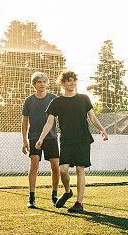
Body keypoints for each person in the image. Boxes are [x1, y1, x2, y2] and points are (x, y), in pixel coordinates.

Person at [36, 71, 108, 213]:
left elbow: (92, 117)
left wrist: (102, 129)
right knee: (62, 169)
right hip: (66, 141)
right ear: (62, 83)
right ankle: (68, 191)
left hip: (82, 139)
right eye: (69, 80)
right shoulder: (56, 102)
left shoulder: (84, 99)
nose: (72, 83)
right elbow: (49, 122)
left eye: (74, 80)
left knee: (80, 169)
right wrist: (41, 138)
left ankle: (79, 203)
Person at [21, 72, 63, 208]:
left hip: (51, 137)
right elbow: (24, 122)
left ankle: (54, 195)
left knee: (55, 167)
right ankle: (31, 198)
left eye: (44, 82)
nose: (42, 84)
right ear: (34, 84)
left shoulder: (53, 98)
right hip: (34, 137)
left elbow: (61, 117)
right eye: (39, 82)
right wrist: (24, 141)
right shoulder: (29, 101)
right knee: (34, 166)